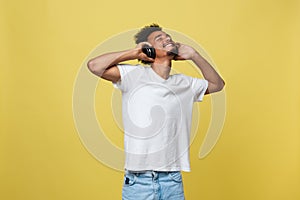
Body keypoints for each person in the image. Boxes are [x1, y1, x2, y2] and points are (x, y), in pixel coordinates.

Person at [87, 24, 225, 200]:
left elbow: (217, 85)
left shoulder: (184, 83)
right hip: (138, 181)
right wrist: (133, 53)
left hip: (172, 180)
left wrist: (194, 55)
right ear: (149, 50)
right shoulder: (134, 75)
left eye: (168, 37)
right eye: (159, 39)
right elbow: (94, 66)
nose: (167, 39)